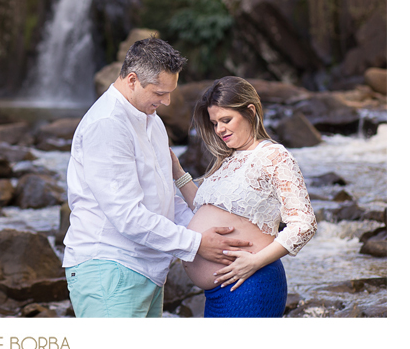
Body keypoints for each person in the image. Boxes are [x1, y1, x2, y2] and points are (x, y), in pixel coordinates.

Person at [63, 37, 253, 318]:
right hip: (109, 269)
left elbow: (166, 198)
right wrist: (197, 243)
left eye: (170, 92)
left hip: (148, 271)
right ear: (131, 80)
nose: (167, 102)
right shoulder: (107, 125)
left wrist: (209, 233)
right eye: (159, 92)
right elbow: (127, 215)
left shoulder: (152, 121)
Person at [172, 76, 317, 317]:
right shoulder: (226, 161)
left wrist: (255, 261)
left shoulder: (273, 156)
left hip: (250, 285)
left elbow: (304, 224)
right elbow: (203, 209)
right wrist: (177, 172)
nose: (219, 129)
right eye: (215, 122)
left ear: (250, 112)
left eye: (226, 120)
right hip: (218, 293)